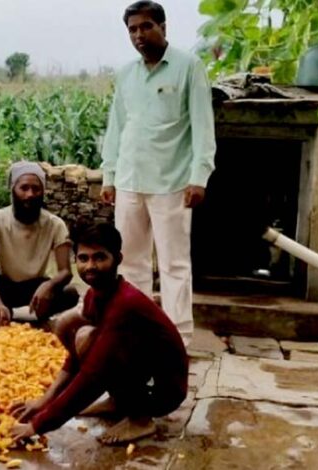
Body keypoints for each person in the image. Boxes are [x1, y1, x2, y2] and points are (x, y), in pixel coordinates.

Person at [100, 0, 216, 344]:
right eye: (133, 29)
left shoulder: (188, 67)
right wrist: (109, 176)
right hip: (129, 180)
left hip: (172, 182)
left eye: (146, 26)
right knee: (130, 262)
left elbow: (202, 127)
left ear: (163, 27)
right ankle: (135, 330)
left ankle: (178, 337)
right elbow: (117, 128)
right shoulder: (126, 74)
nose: (139, 35)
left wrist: (200, 177)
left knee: (174, 264)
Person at [9, 223, 188, 445]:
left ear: (118, 259)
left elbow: (92, 376)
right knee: (81, 333)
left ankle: (140, 418)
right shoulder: (97, 295)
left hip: (163, 393)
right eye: (83, 259)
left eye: (99, 258)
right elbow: (75, 359)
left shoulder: (125, 304)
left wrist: (37, 425)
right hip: (145, 374)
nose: (90, 266)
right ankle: (119, 401)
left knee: (94, 344)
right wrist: (45, 400)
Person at [0, 161, 79, 325]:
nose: (30, 194)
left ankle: (0, 312)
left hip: (37, 289)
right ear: (13, 189)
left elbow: (65, 271)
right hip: (4, 286)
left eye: (36, 189)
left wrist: (49, 286)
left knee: (70, 294)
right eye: (24, 188)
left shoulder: (55, 224)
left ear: (43, 192)